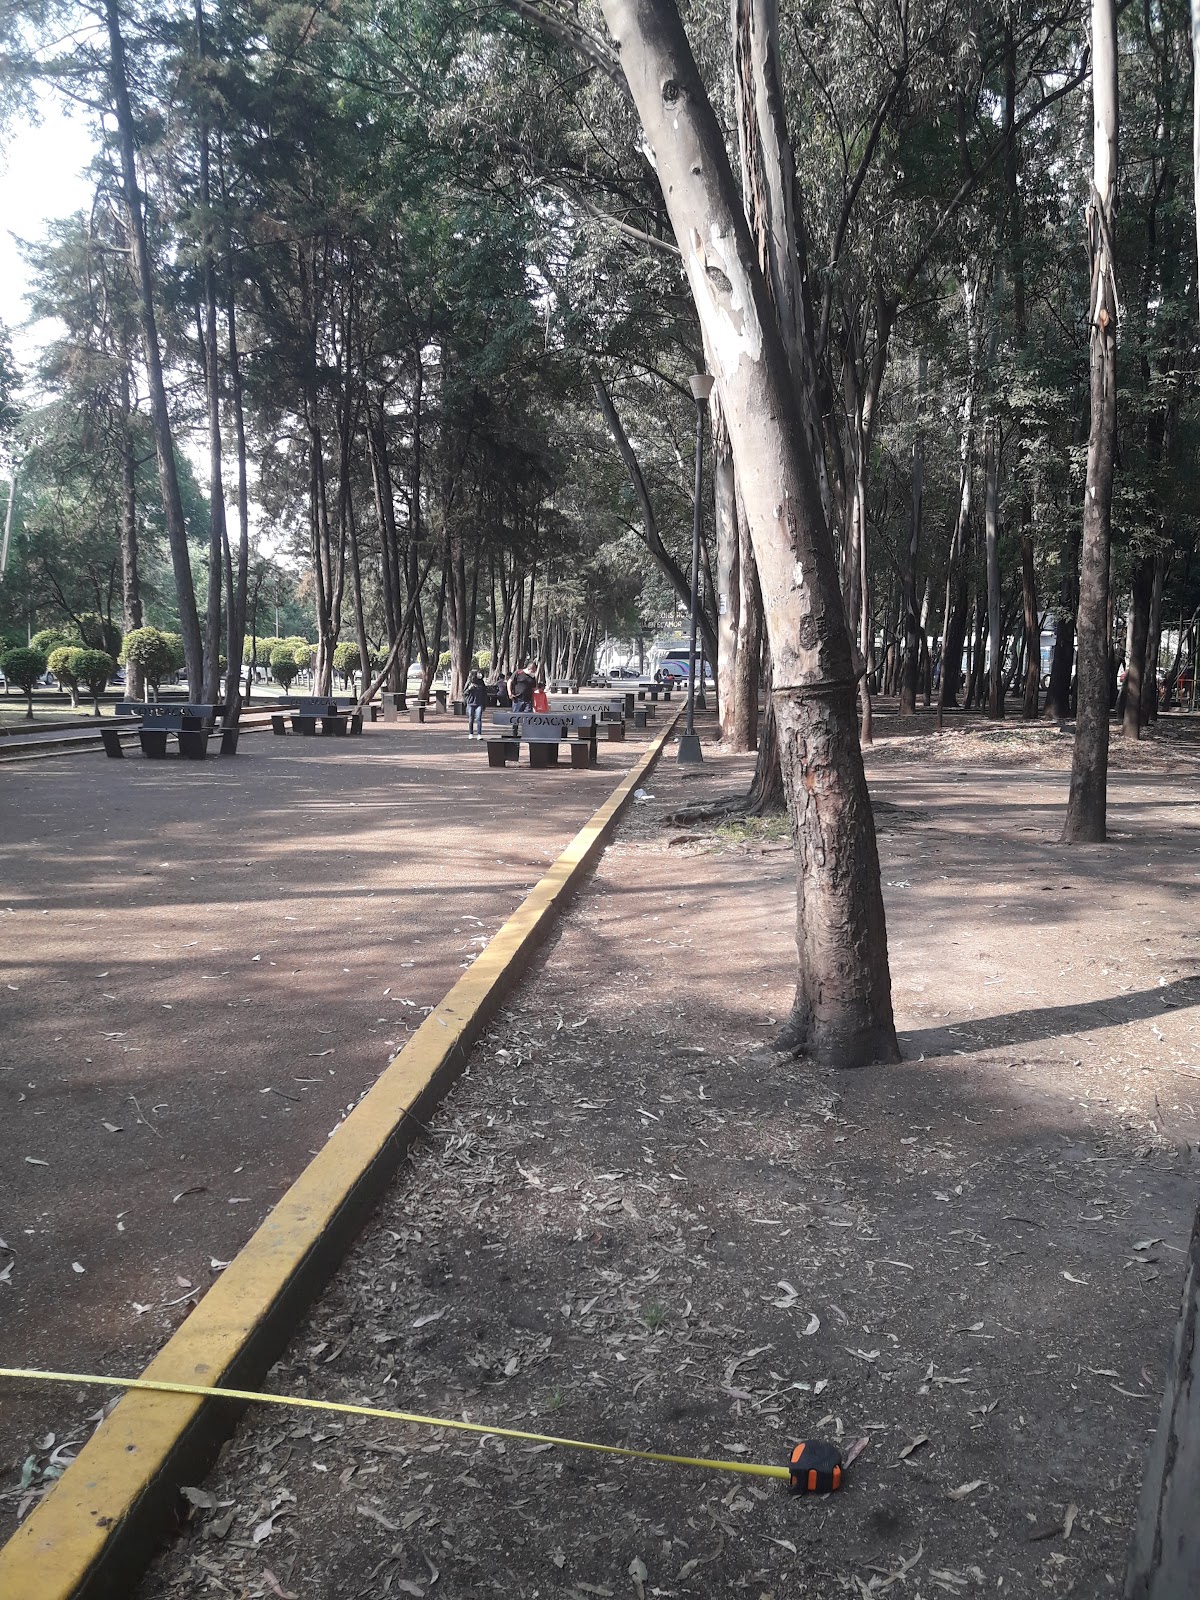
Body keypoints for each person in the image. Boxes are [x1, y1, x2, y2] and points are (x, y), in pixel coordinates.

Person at [465, 670, 487, 739]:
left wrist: (484, 704)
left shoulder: (481, 682)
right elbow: (464, 693)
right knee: (471, 719)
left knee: (479, 718)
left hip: (479, 703)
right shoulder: (469, 682)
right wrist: (469, 689)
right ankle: (471, 733)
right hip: (471, 703)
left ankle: (479, 734)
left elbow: (484, 693)